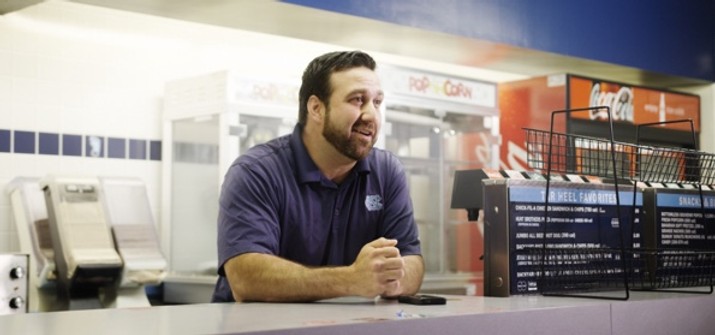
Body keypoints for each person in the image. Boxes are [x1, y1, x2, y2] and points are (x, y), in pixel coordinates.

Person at [211, 50, 424, 303]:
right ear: (316, 108)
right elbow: (246, 279)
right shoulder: (257, 172)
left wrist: (391, 279)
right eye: (357, 100)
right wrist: (352, 279)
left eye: (376, 102)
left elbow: (411, 260)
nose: (371, 115)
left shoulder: (387, 172)